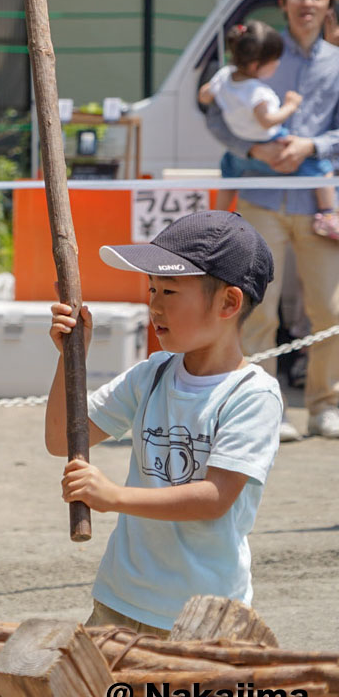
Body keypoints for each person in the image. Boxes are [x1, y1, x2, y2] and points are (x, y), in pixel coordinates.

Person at [47, 210, 281, 637]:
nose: (154, 305)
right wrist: (71, 357)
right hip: (119, 598)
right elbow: (60, 436)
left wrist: (114, 496)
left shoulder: (252, 395)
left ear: (229, 302)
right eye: (152, 288)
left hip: (203, 616)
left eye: (170, 290)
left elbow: (213, 498)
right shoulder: (151, 374)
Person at [204, 0, 339, 442]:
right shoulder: (259, 50)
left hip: (319, 205)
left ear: (328, 4)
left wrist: (313, 147)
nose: (308, 2)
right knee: (258, 310)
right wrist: (253, 148)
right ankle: (267, 410)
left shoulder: (337, 62)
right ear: (282, 2)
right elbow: (215, 115)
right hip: (258, 194)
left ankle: (325, 405)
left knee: (330, 309)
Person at [199, 20, 339, 237]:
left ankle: (218, 218)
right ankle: (328, 215)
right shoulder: (258, 92)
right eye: (274, 61)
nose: (277, 65)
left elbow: (205, 95)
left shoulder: (224, 75)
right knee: (321, 168)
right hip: (273, 142)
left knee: (228, 175)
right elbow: (268, 120)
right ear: (256, 66)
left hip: (241, 149)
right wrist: (290, 106)